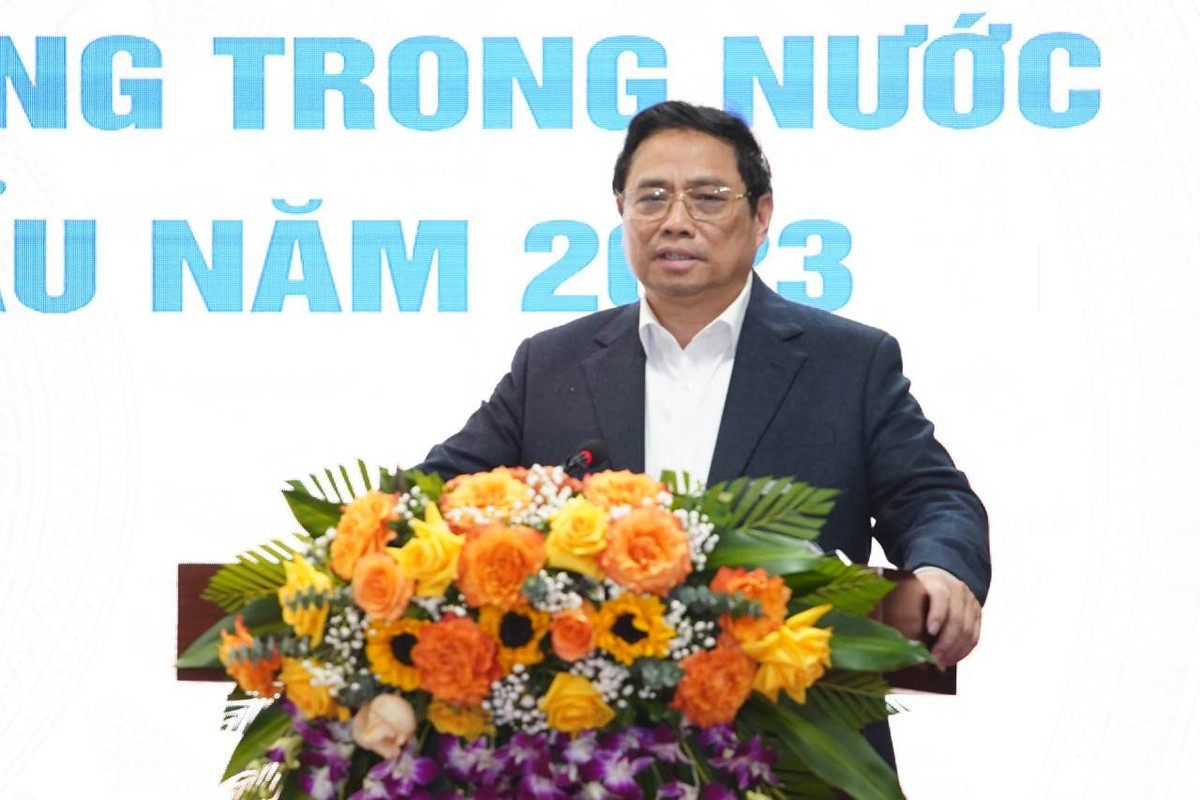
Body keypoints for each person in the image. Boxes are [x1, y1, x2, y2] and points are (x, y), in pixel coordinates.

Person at [418, 100, 990, 768]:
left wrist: (942, 569)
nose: (676, 221)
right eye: (652, 197)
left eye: (708, 197)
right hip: (595, 756)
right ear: (622, 211)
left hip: (789, 748)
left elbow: (931, 497)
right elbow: (438, 492)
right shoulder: (551, 364)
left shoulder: (848, 363)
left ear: (762, 215)